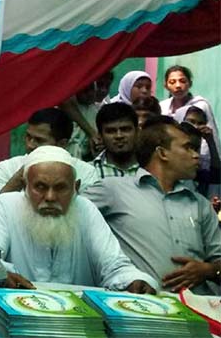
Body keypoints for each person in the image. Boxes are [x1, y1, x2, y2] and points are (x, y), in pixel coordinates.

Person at [0, 146, 157, 293]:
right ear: (26, 186)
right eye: (40, 187)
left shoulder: (86, 209)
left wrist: (133, 280)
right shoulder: (4, 206)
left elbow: (114, 264)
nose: (51, 197)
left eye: (61, 188)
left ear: (76, 188)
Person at [84, 116, 221, 295]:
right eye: (188, 147)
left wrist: (207, 270)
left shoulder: (200, 204)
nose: (196, 155)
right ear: (162, 153)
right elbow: (68, 213)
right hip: (143, 309)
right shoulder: (113, 190)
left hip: (200, 312)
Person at [0, 108, 100, 213]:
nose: (30, 145)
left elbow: (89, 218)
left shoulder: (85, 173)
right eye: (28, 137)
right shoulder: (6, 168)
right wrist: (19, 177)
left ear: (62, 144)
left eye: (39, 140)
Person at [61, 71, 113, 161]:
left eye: (107, 86)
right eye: (86, 89)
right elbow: (66, 103)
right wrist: (91, 133)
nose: (102, 90)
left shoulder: (97, 110)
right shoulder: (65, 106)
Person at [91, 102, 140, 178]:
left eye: (125, 129)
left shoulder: (152, 168)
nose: (119, 136)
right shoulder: (90, 172)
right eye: (111, 131)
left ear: (137, 131)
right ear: (100, 135)